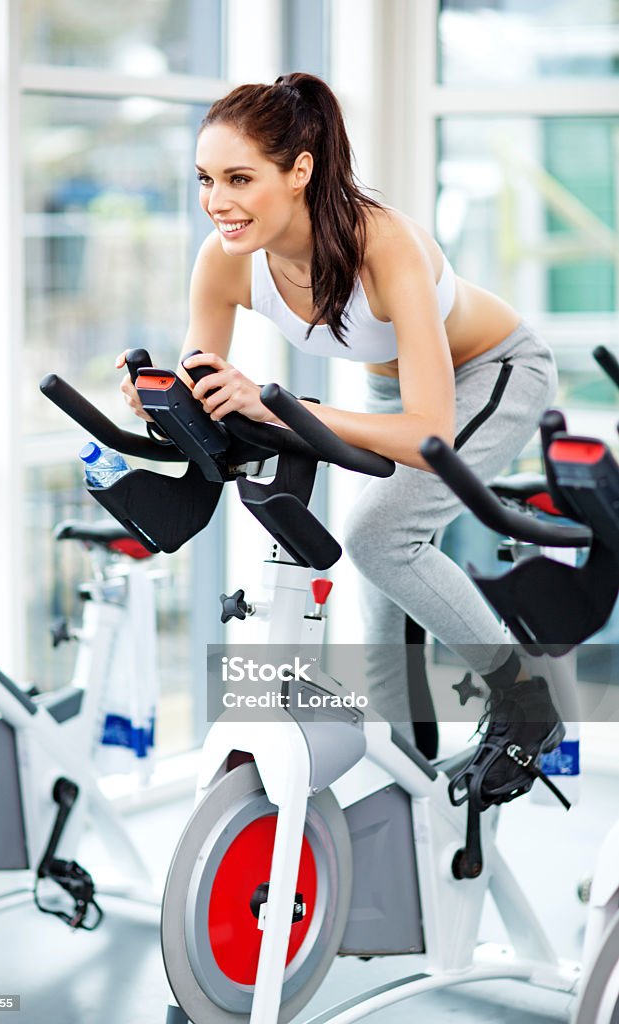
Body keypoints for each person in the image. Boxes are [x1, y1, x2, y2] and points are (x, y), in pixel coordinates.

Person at [117, 72, 563, 811]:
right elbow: (207, 394)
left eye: (238, 178)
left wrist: (279, 406)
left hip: (492, 372)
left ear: (299, 170)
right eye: (204, 180)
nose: (216, 202)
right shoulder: (223, 259)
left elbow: (427, 432)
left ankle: (526, 702)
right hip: (388, 388)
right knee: (378, 596)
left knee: (377, 538)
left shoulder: (381, 246)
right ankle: (406, 774)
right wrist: (158, 402)